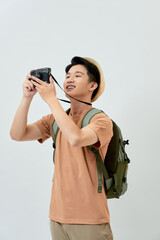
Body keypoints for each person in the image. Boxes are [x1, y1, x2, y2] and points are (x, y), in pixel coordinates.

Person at [10, 56, 114, 240]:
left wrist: (51, 99)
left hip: (89, 219)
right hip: (57, 217)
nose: (69, 79)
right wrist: (26, 98)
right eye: (67, 75)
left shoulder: (101, 121)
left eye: (77, 75)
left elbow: (76, 138)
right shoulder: (54, 120)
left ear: (93, 85)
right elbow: (17, 134)